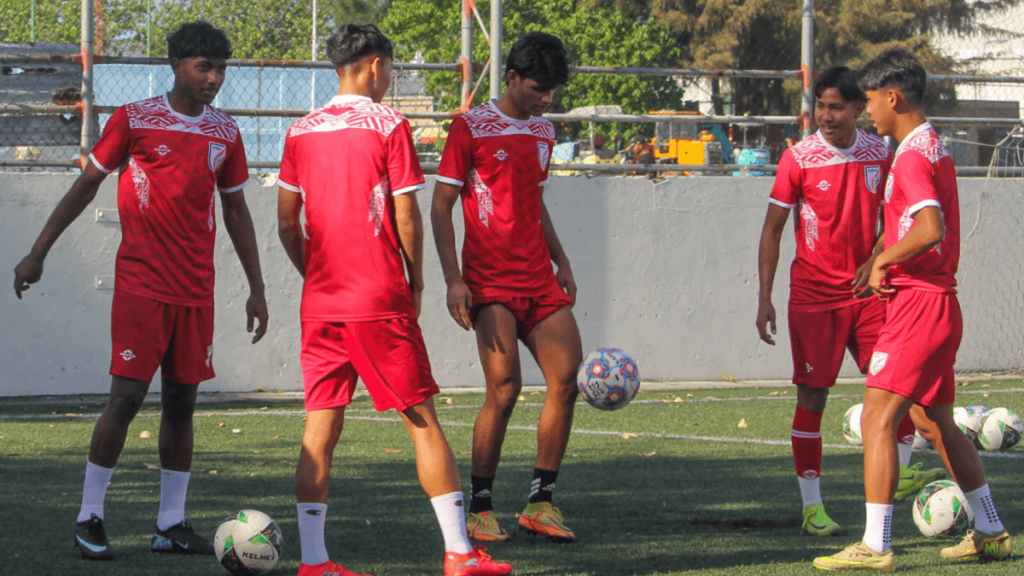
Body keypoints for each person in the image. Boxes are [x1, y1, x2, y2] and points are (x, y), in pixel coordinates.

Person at [12, 21, 268, 561]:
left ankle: (169, 525)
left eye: (221, 69)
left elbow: (238, 209)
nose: (215, 78)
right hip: (141, 287)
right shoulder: (135, 119)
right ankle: (90, 517)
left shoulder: (225, 132)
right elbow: (87, 183)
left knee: (182, 403)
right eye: (205, 67)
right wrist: (39, 251)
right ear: (177, 66)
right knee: (125, 400)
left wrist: (256, 287)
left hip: (196, 291)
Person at [276, 22, 512, 576]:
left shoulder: (301, 130)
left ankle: (314, 563)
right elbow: (406, 214)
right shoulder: (389, 124)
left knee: (319, 429)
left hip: (322, 303)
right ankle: (459, 553)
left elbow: (287, 223)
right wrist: (417, 278)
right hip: (378, 299)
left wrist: (316, 273)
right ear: (376, 67)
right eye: (391, 70)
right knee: (421, 418)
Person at [813, 47, 1013, 570]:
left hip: (919, 306)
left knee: (878, 417)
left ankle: (875, 544)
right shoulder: (931, 146)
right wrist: (886, 260)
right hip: (936, 303)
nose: (868, 112)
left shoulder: (913, 153)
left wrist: (883, 262)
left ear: (893, 97)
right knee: (937, 422)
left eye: (871, 101)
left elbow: (929, 230)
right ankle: (991, 530)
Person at [757, 66, 945, 538]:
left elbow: (897, 217)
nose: (826, 115)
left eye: (836, 106)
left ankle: (898, 478)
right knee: (813, 398)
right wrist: (764, 297)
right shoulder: (797, 158)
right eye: (820, 106)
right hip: (814, 299)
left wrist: (877, 257)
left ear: (860, 108)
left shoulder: (881, 153)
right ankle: (812, 506)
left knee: (896, 391)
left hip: (869, 295)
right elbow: (773, 230)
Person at [432, 31, 582, 545]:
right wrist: (455, 279)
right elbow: (440, 206)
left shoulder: (544, 131)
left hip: (539, 278)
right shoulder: (469, 127)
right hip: (490, 281)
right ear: (512, 77)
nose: (547, 99)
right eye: (539, 88)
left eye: (553, 92)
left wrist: (561, 259)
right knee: (505, 388)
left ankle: (541, 503)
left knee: (566, 380)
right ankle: (480, 509)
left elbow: (533, 199)